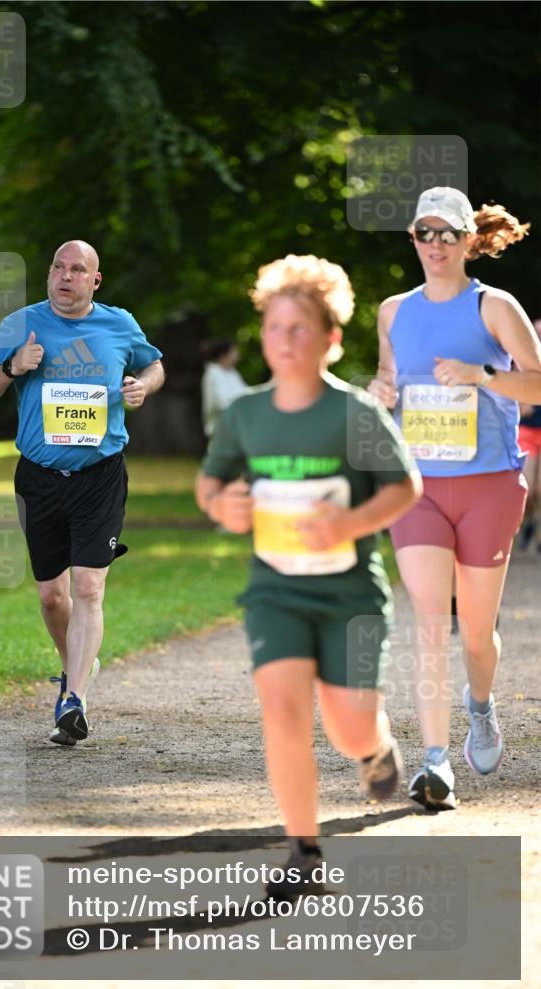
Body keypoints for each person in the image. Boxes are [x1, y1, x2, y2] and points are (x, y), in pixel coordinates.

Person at [195, 254, 421, 898]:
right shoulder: (246, 415)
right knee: (282, 709)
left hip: (350, 595)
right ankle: (303, 850)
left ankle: (375, 747)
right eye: (273, 327)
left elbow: (406, 488)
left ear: (331, 338)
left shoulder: (354, 415)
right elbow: (210, 484)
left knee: (348, 724)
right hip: (276, 591)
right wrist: (222, 505)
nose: (284, 341)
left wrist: (350, 524)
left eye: (300, 328)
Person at [368, 188, 541, 810]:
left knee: (474, 633)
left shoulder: (494, 307)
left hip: (490, 484)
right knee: (430, 623)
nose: (436, 244)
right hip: (417, 489)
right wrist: (381, 391)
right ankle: (436, 761)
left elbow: (539, 381)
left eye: (449, 233)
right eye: (425, 231)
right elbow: (390, 378)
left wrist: (485, 377)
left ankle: (482, 705)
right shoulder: (392, 310)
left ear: (470, 240)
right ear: (412, 238)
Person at [0, 240, 164, 745]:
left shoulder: (119, 324)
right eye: (58, 266)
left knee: (88, 588)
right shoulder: (21, 324)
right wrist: (14, 366)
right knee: (52, 596)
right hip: (38, 476)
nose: (64, 276)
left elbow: (154, 365)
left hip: (99, 474)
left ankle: (73, 699)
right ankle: (77, 667)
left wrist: (143, 386)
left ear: (94, 281)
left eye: (77, 269)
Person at [518, 322, 541, 553]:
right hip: (526, 431)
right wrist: (520, 405)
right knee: (530, 488)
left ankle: (537, 530)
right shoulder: (521, 360)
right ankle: (529, 523)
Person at [201, 338, 250, 438]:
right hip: (220, 429)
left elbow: (246, 393)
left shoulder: (233, 373)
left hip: (236, 427)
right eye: (234, 351)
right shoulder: (213, 374)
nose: (237, 354)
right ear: (224, 355)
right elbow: (222, 403)